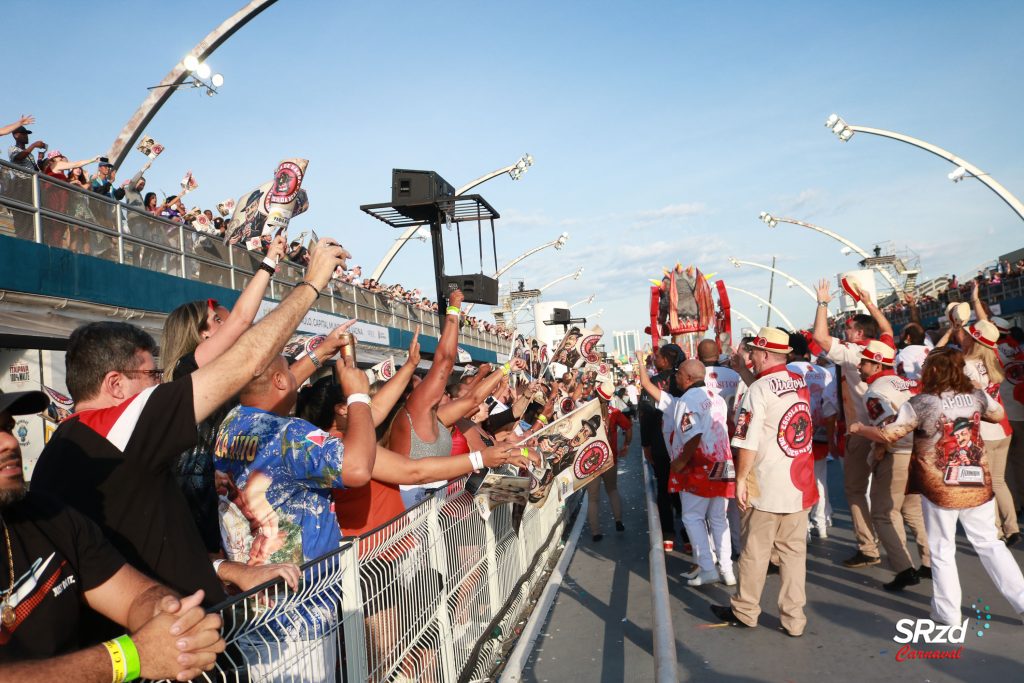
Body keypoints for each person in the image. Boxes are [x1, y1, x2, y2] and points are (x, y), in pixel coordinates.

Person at [31, 239, 348, 638]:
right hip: (173, 652)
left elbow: (142, 552)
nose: (158, 384)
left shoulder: (62, 450)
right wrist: (311, 284)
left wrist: (228, 568)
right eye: (150, 376)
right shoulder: (117, 427)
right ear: (115, 384)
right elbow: (247, 360)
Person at [0, 388, 225, 681]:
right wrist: (130, 656)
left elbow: (135, 595)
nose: (8, 441)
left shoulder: (48, 516)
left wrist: (170, 618)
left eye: (6, 427)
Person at [852, 347, 1024, 626]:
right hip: (976, 481)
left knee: (942, 549)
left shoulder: (921, 403)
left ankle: (948, 614)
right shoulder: (977, 397)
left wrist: (859, 429)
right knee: (990, 543)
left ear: (933, 371)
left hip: (940, 485)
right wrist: (978, 391)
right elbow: (998, 414)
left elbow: (888, 434)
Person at [159, 236, 288, 552]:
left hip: (211, 505)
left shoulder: (215, 379)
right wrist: (269, 263)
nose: (226, 324)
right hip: (191, 517)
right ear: (202, 335)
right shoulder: (185, 372)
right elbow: (242, 320)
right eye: (217, 321)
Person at [710, 328, 817, 637]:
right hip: (799, 484)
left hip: (768, 483)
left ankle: (745, 610)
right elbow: (772, 394)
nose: (750, 356)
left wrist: (741, 478)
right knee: (794, 555)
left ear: (766, 354)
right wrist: (744, 370)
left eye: (753, 352)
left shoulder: (758, 390)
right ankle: (794, 619)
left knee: (755, 551)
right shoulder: (798, 381)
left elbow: (746, 440)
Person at [812, 279, 894, 569]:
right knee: (887, 497)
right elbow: (886, 329)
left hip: (861, 430)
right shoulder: (883, 347)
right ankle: (900, 550)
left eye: (847, 329)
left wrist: (822, 302)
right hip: (890, 429)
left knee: (856, 491)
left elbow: (820, 338)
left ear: (858, 333)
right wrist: (869, 301)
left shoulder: (852, 352)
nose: (844, 333)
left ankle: (868, 547)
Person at [638, 357, 735, 586]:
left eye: (679, 373)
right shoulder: (716, 398)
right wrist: (641, 363)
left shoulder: (687, 401)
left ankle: (708, 568)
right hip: (722, 463)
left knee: (692, 517)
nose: (675, 376)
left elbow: (693, 436)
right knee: (719, 518)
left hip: (699, 466)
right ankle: (727, 570)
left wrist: (679, 463)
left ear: (689, 378)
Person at [857, 340, 931, 591]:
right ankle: (930, 562)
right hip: (920, 450)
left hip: (898, 453)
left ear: (877, 363)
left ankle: (904, 568)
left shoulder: (875, 390)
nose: (859, 365)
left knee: (883, 513)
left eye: (864, 361)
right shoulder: (906, 381)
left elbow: (886, 429)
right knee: (912, 511)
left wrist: (877, 450)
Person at [951, 315, 1020, 545]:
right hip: (1002, 429)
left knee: (988, 484)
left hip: (984, 431)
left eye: (970, 335)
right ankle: (1012, 528)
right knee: (999, 482)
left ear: (974, 340)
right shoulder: (995, 361)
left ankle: (997, 531)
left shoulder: (967, 366)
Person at [786, 332, 838, 539]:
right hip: (822, 431)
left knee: (799, 481)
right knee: (820, 480)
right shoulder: (822, 371)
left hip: (799, 435)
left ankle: (806, 526)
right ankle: (822, 523)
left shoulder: (787, 371)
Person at [586, 398, 630, 542]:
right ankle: (618, 520)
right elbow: (628, 427)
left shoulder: (587, 413)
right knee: (612, 490)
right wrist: (626, 445)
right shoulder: (615, 412)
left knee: (593, 498)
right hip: (610, 458)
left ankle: (595, 532)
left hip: (591, 461)